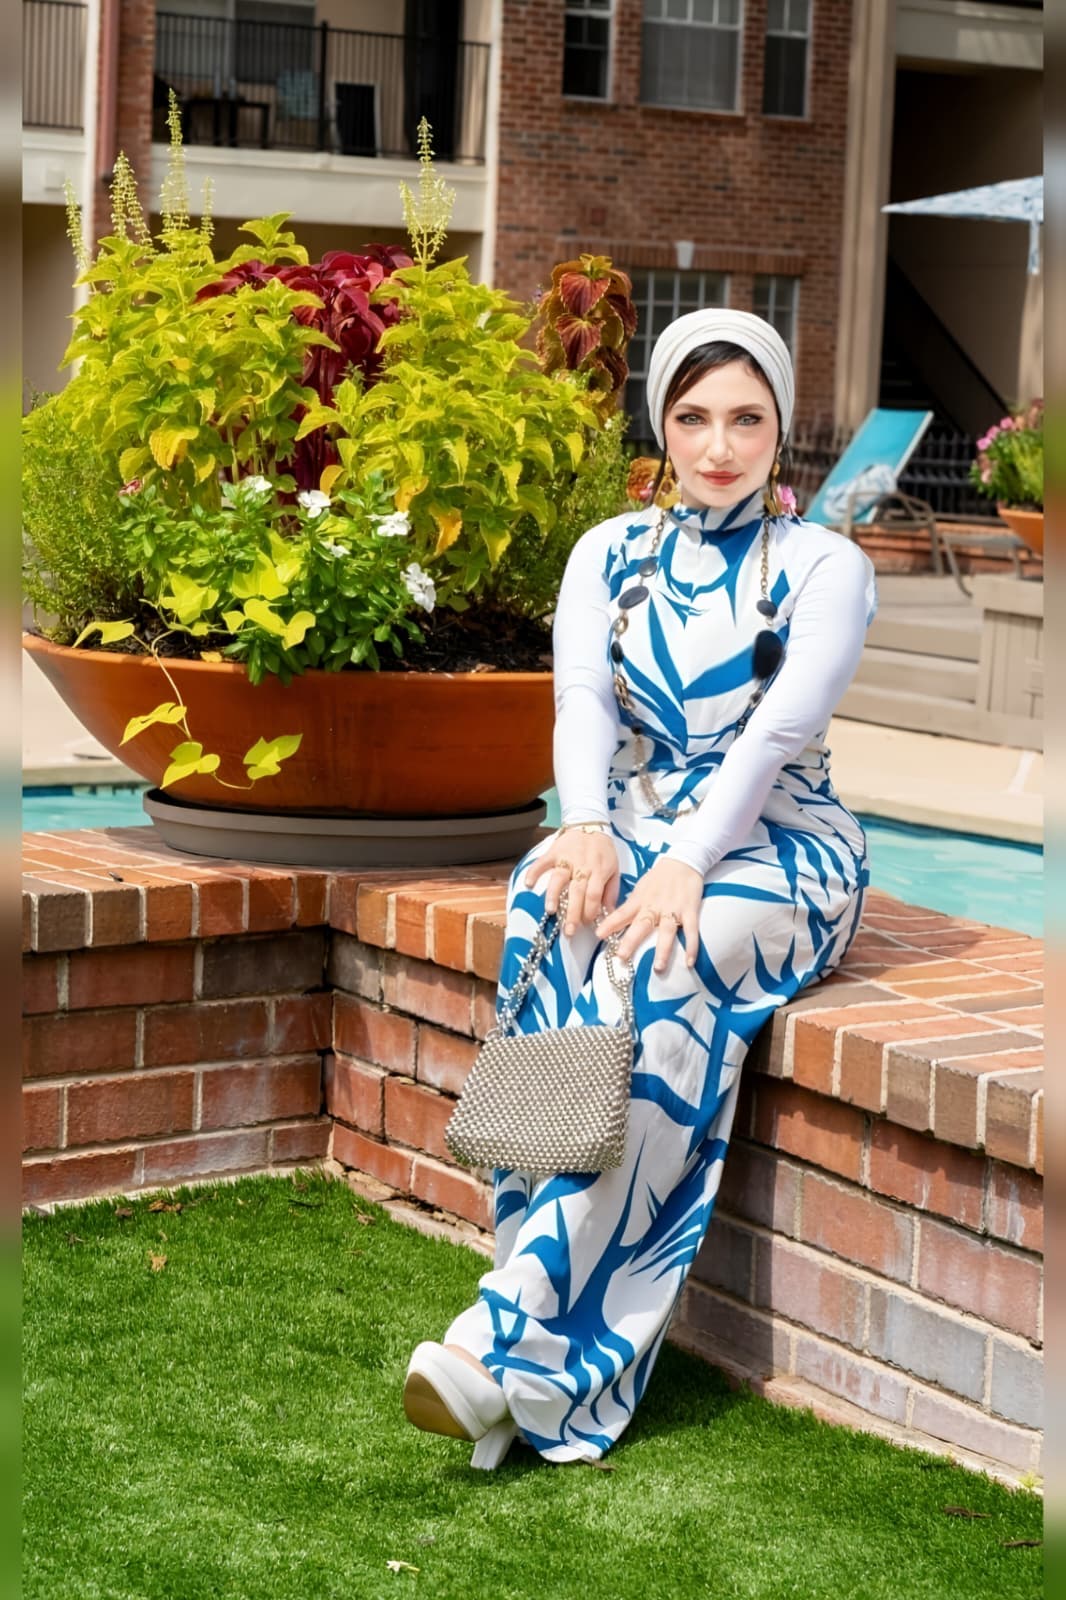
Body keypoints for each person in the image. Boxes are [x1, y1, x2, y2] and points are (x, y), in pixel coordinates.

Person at [402, 308, 878, 1470]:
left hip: (782, 847)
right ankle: (526, 1334)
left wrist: (682, 861)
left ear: (780, 428)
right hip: (636, 821)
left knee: (665, 956)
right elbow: (582, 700)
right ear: (660, 423)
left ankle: (508, 1337)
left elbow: (777, 735)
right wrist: (583, 826)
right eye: (693, 417)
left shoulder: (825, 566)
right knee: (548, 902)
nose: (718, 446)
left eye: (746, 419)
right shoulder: (608, 551)